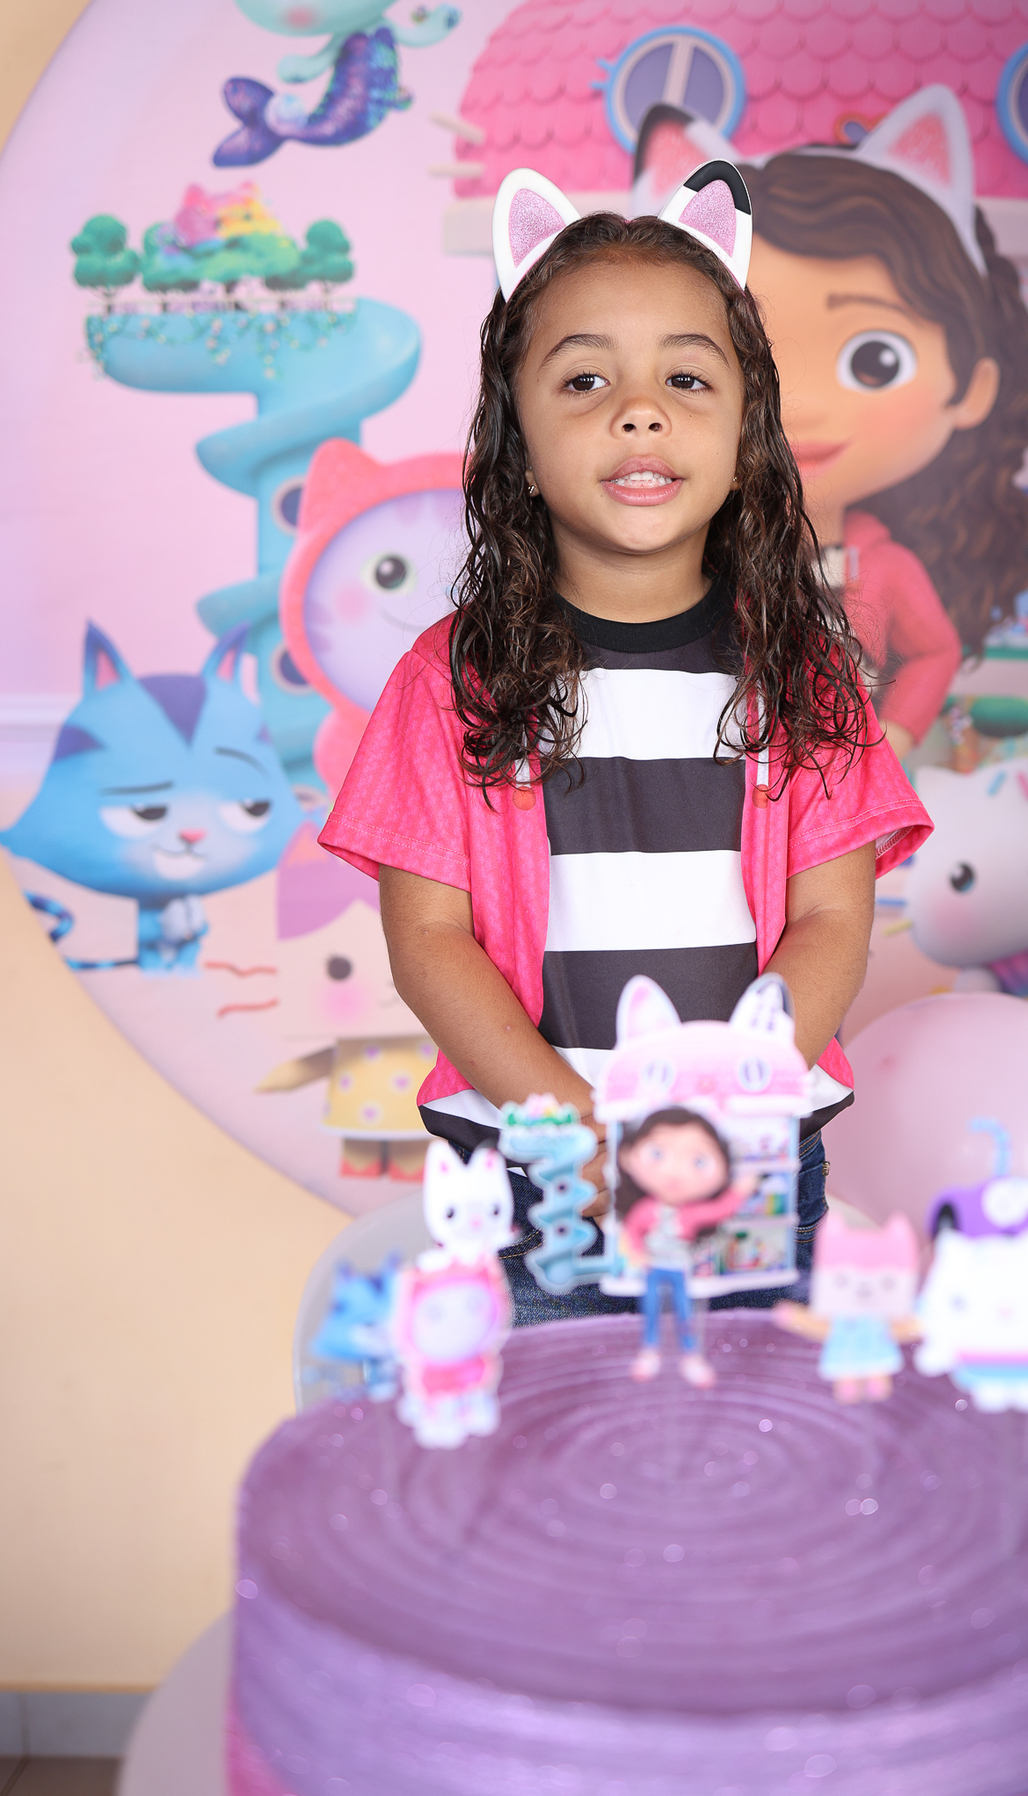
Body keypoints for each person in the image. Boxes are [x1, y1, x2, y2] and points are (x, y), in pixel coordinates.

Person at [319, 162, 931, 1326]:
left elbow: (834, 919)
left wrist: (727, 1108)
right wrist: (579, 1130)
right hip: (536, 1165)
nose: (639, 411)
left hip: (745, 1155)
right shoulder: (448, 681)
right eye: (585, 378)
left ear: (748, 432)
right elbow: (429, 941)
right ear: (517, 438)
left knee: (742, 1424)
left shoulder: (804, 675)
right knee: (556, 1431)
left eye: (686, 378)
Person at [739, 88, 1028, 758]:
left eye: (875, 360)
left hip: (843, 780)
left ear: (972, 389)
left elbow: (934, 651)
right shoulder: (714, 553)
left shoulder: (888, 567)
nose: (800, 405)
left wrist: (894, 740)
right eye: (750, 356)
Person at [616, 1108, 754, 1387]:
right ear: (628, 1156)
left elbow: (720, 1209)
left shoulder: (692, 1213)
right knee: (651, 1309)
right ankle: (650, 1351)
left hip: (680, 1270)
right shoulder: (645, 1209)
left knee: (685, 1311)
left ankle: (690, 1355)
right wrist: (635, 1253)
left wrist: (740, 1191)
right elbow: (631, 1231)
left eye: (698, 1160)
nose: (676, 1171)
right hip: (653, 1268)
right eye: (657, 1153)